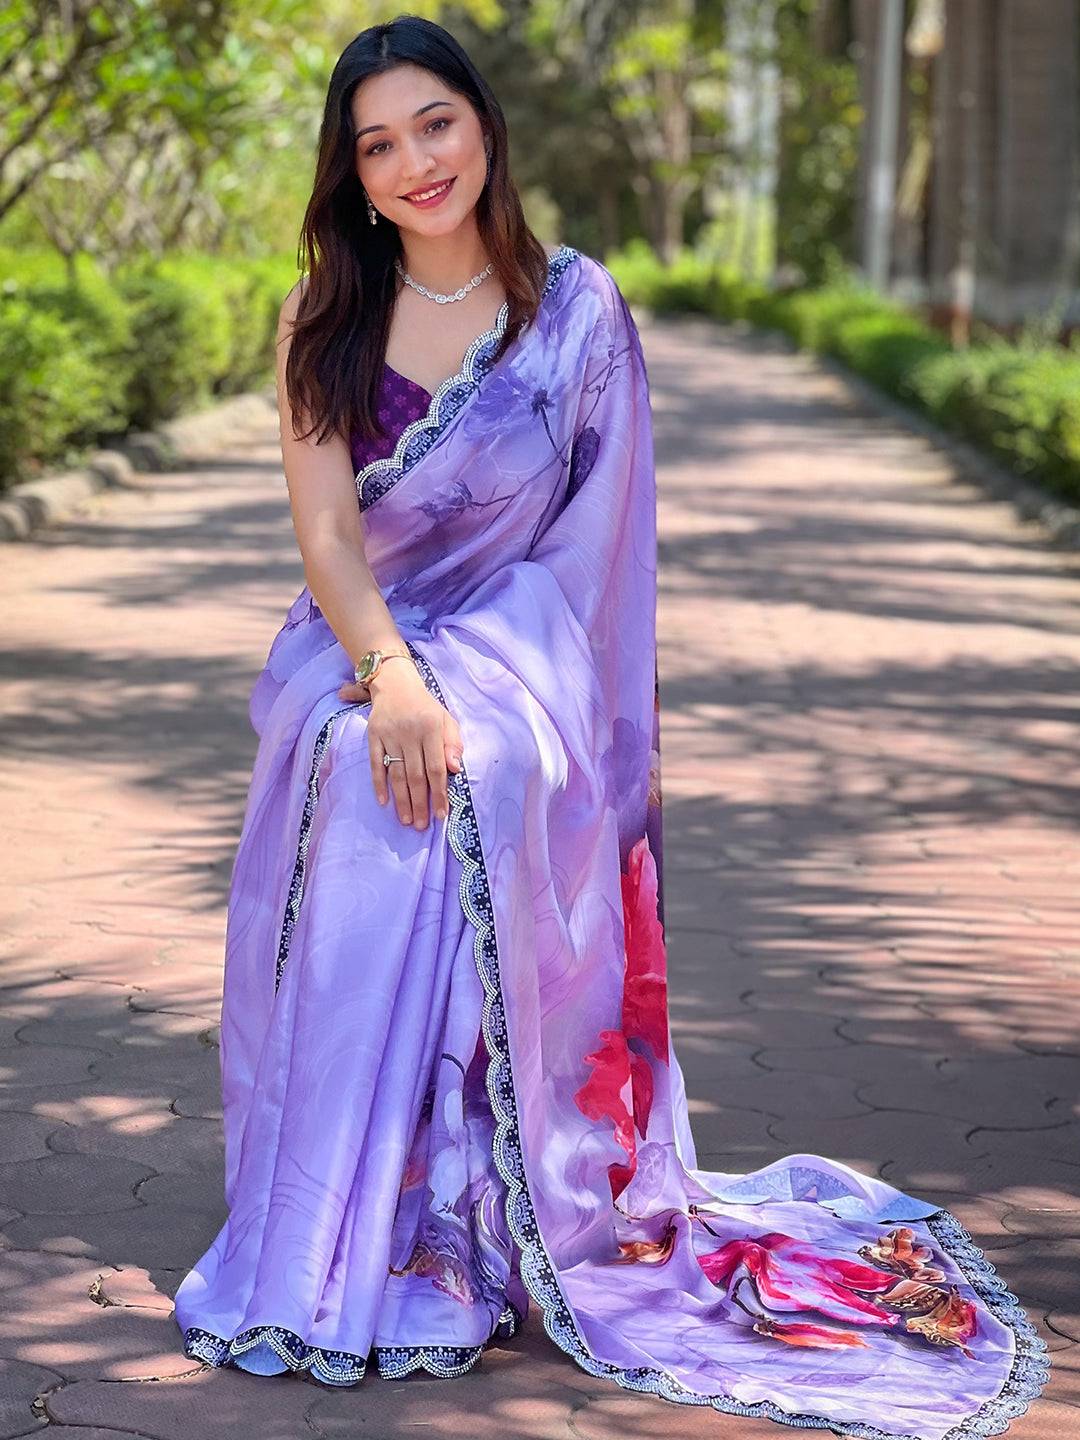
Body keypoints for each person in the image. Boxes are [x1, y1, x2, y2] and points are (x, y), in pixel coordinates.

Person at [172, 15, 1049, 1438]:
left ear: (486, 126)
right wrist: (393, 670)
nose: (412, 164)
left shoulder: (574, 311)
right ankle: (344, 1228)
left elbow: (592, 563)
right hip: (357, 649)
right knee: (352, 760)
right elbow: (329, 533)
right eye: (376, 145)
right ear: (349, 171)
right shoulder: (321, 314)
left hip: (527, 657)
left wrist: (473, 690)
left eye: (433, 125)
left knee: (484, 769)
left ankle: (469, 1230)